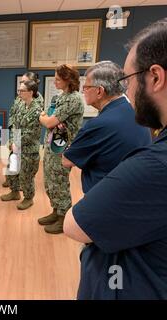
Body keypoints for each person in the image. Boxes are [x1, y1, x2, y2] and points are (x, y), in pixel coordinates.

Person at [64, 18, 167, 299]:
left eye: (129, 80)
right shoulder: (141, 124)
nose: (128, 90)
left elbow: (74, 225)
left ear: (155, 77)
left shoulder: (155, 164)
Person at [62, 61, 151, 193]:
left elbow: (67, 160)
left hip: (104, 197)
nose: (82, 90)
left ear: (99, 91)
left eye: (86, 87)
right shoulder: (136, 110)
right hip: (134, 189)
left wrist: (72, 147)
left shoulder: (98, 125)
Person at [38, 64, 84, 234]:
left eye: (58, 79)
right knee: (50, 181)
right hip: (53, 144)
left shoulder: (73, 99)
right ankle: (56, 212)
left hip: (63, 147)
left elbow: (49, 121)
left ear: (68, 80)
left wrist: (42, 117)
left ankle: (63, 217)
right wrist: (46, 117)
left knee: (59, 182)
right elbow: (51, 118)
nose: (55, 81)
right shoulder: (60, 97)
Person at [0, 80, 43, 210]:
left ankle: (28, 198)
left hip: (29, 150)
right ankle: (14, 192)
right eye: (18, 90)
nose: (19, 93)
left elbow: (31, 132)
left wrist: (17, 143)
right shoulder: (21, 106)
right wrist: (13, 140)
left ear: (31, 92)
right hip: (16, 146)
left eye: (22, 90)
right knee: (12, 171)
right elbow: (15, 126)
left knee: (26, 175)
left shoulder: (36, 110)